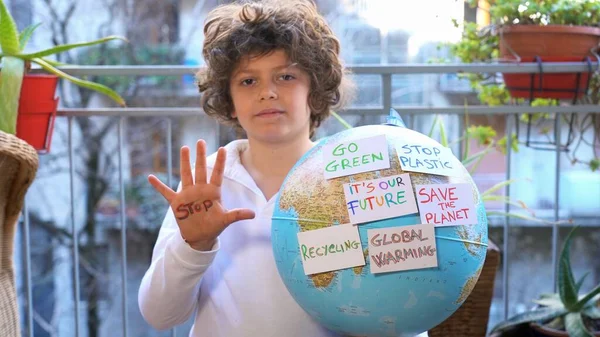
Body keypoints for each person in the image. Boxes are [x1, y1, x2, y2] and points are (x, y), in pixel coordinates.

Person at [137, 0, 355, 336]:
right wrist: (194, 244)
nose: (267, 93)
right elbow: (160, 315)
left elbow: (399, 309)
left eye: (286, 76)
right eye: (248, 81)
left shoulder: (351, 179)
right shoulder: (204, 184)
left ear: (314, 90)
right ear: (229, 101)